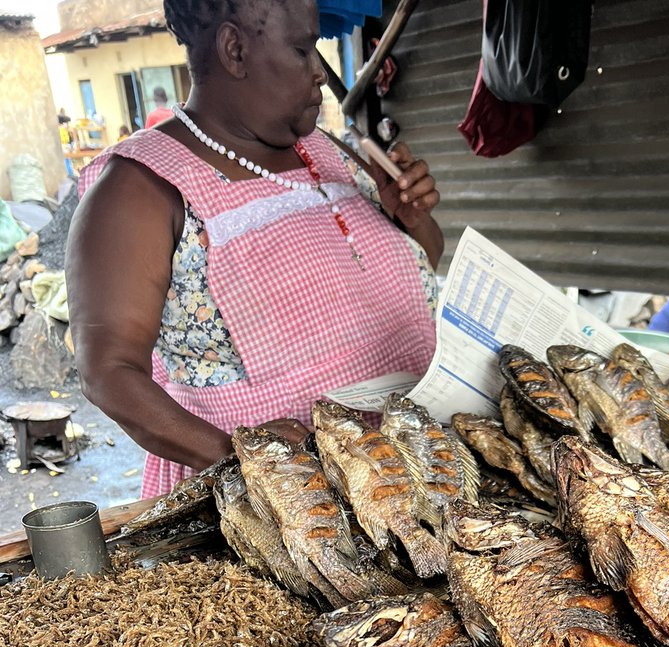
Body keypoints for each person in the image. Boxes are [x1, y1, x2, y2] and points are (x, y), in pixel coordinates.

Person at [66, 0, 442, 499]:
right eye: (303, 49)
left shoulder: (331, 154)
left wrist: (413, 219)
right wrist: (246, 459)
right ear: (234, 49)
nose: (321, 75)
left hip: (412, 475)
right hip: (274, 514)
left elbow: (420, 271)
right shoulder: (137, 190)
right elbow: (108, 373)